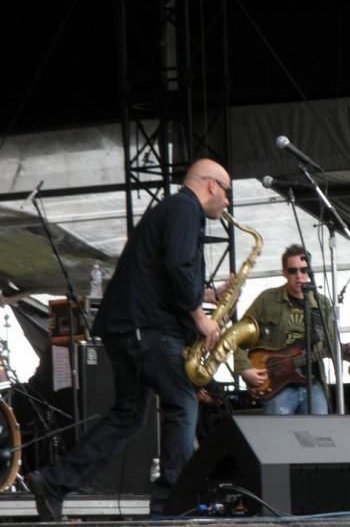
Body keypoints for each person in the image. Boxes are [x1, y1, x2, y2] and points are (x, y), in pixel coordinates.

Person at [28, 158, 231, 520]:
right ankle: (172, 506)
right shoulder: (186, 208)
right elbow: (179, 266)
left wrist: (209, 294)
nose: (228, 202)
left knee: (128, 415)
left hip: (127, 327)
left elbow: (163, 272)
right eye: (227, 192)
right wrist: (200, 317)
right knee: (183, 403)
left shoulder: (171, 209)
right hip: (148, 330)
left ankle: (54, 481)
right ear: (211, 185)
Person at [234, 244, 350, 415]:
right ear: (284, 273)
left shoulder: (322, 303)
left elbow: (331, 345)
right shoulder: (268, 299)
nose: (299, 276)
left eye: (304, 270)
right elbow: (237, 336)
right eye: (293, 271)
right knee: (278, 437)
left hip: (314, 384)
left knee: (319, 438)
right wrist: (245, 369)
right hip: (276, 384)